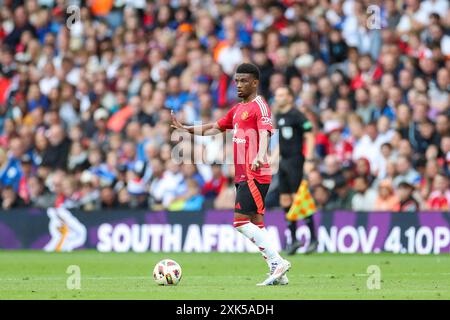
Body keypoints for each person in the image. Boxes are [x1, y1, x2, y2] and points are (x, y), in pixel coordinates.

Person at [171, 63, 290, 286]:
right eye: (236, 81)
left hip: (255, 172)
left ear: (255, 82)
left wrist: (260, 155)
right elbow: (214, 127)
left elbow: (265, 132)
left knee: (240, 222)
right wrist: (187, 128)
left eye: (243, 80)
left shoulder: (260, 105)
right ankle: (278, 272)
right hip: (242, 173)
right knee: (256, 223)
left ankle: (277, 261)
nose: (238, 85)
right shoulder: (237, 109)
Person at [273, 86, 318, 255]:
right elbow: (281, 140)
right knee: (285, 200)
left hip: (296, 161)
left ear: (290, 97)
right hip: (284, 162)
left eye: (282, 94)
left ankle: (313, 238)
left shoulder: (297, 115)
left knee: (299, 198)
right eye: (277, 95)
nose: (279, 98)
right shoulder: (279, 115)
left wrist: (309, 158)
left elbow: (310, 135)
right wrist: (273, 157)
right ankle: (293, 240)